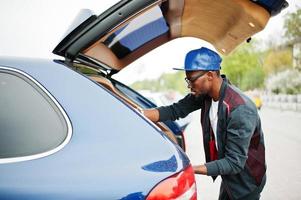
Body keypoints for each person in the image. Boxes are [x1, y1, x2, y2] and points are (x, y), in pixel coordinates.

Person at [143, 47, 266, 200]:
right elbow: (175, 110)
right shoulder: (205, 95)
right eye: (187, 79)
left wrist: (189, 169)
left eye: (192, 79)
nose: (189, 85)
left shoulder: (239, 108)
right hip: (229, 178)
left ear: (209, 75)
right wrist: (137, 114)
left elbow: (234, 162)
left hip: (246, 182)